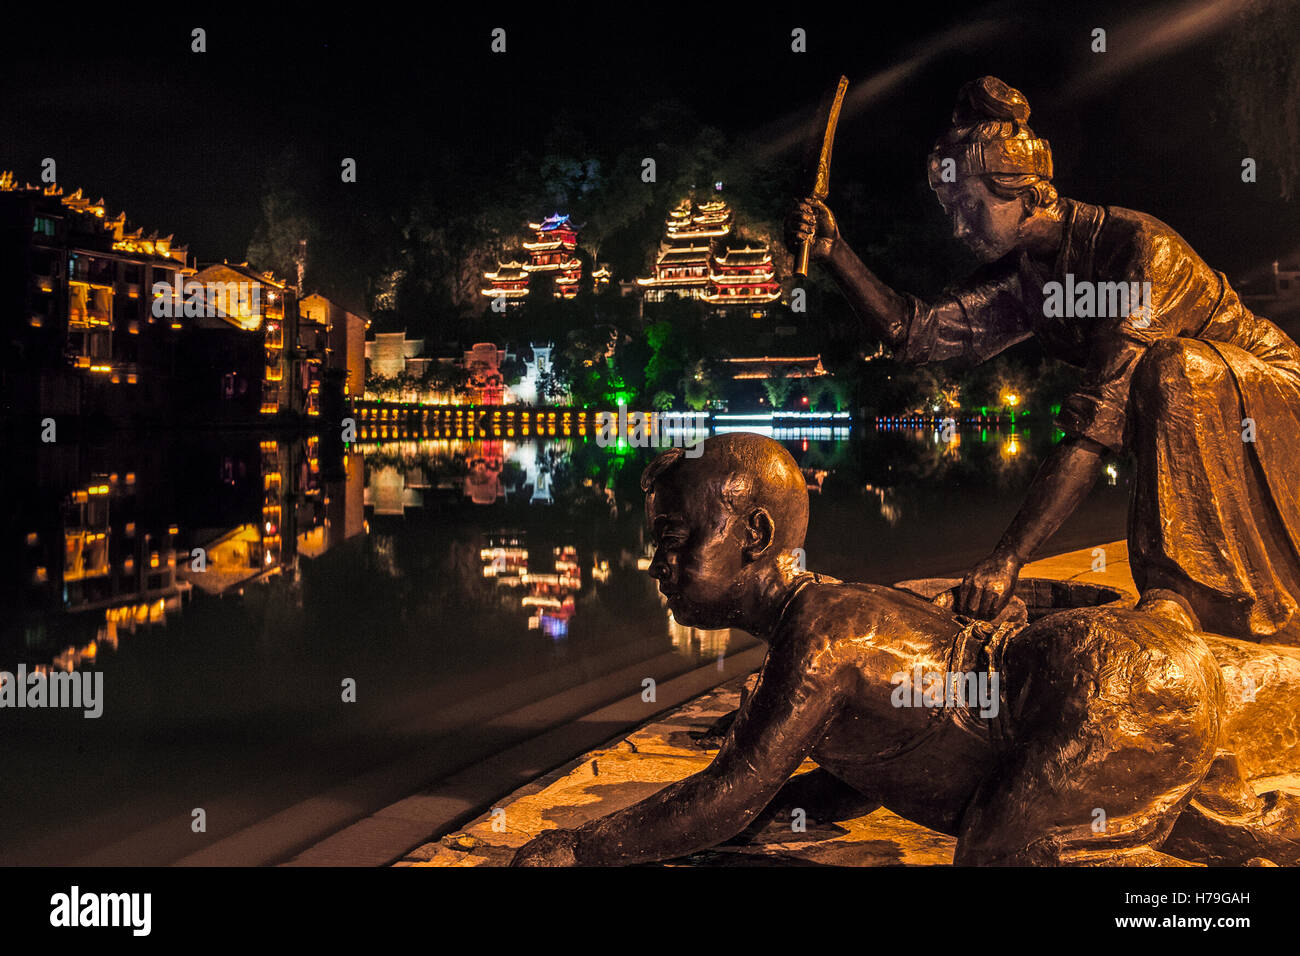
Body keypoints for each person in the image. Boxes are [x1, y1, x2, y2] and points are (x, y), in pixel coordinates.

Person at [510, 434, 1300, 866]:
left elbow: (728, 792)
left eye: (677, 540)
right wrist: (769, 816)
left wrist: (583, 848)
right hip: (1110, 684)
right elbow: (883, 767)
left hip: (1099, 684)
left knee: (1001, 854)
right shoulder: (830, 618)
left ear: (755, 538)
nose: (659, 566)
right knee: (1141, 818)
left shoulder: (822, 632)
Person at [787, 75, 1300, 643]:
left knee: (1171, 369)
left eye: (969, 208)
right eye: (949, 210)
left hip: (1274, 396)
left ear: (1028, 195)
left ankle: (1192, 594)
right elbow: (918, 334)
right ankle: (1182, 593)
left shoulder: (1138, 251)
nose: (958, 229)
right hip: (1204, 404)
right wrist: (835, 252)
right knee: (1168, 375)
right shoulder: (1026, 276)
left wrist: (1009, 557)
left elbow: (1099, 423)